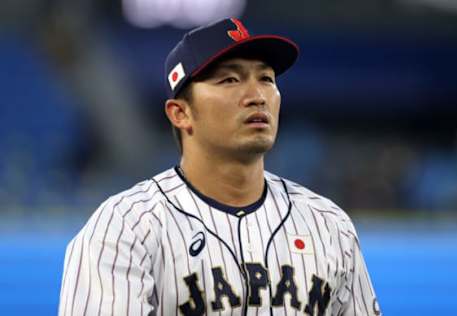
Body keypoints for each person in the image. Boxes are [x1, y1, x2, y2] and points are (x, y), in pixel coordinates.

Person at [59, 18, 381, 316]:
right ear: (180, 113)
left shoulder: (329, 225)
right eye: (230, 79)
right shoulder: (125, 229)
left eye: (266, 79)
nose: (257, 96)